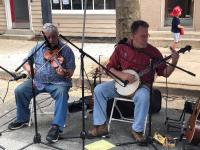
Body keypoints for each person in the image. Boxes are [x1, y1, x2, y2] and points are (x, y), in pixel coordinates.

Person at [87, 20, 179, 144]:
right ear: (133, 35)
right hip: (122, 84)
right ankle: (100, 127)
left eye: (147, 35)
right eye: (142, 36)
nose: (146, 38)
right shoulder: (122, 48)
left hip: (142, 86)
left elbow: (165, 73)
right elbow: (110, 68)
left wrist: (174, 62)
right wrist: (122, 75)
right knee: (99, 90)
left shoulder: (153, 52)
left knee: (144, 95)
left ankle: (137, 130)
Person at [8, 23, 76, 143]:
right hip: (38, 81)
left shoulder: (66, 50)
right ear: (44, 36)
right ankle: (23, 119)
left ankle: (56, 127)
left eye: (53, 37)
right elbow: (26, 61)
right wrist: (29, 69)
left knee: (62, 94)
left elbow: (70, 71)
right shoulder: (38, 48)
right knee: (20, 90)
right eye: (48, 37)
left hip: (58, 83)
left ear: (58, 35)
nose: (51, 40)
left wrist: (64, 73)